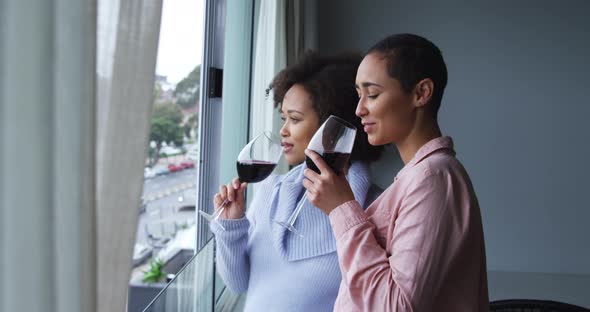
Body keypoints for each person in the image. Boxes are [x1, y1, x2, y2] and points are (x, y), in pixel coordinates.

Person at [303, 34, 489, 311]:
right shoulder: (419, 177)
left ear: (421, 93)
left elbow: (396, 306)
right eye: (358, 94)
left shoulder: (433, 179)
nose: (359, 109)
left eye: (373, 94)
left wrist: (342, 208)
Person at [210, 51, 383, 312]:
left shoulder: (373, 207)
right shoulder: (271, 191)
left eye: (295, 119)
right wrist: (232, 226)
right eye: (284, 118)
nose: (283, 130)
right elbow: (239, 283)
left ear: (332, 129)